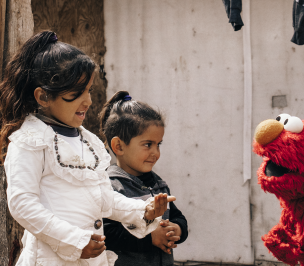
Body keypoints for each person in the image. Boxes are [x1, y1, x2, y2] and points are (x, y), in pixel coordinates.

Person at [0, 31, 175, 266]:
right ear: (43, 97)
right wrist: (75, 241)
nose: (88, 101)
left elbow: (103, 199)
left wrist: (143, 210)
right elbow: (23, 205)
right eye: (76, 94)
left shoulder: (89, 142)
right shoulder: (30, 141)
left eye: (89, 91)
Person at [100, 91, 188, 266]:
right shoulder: (109, 186)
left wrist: (177, 229)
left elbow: (178, 217)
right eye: (148, 144)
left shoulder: (158, 183)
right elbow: (106, 233)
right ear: (118, 146)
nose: (156, 153)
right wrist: (149, 238)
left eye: (158, 144)